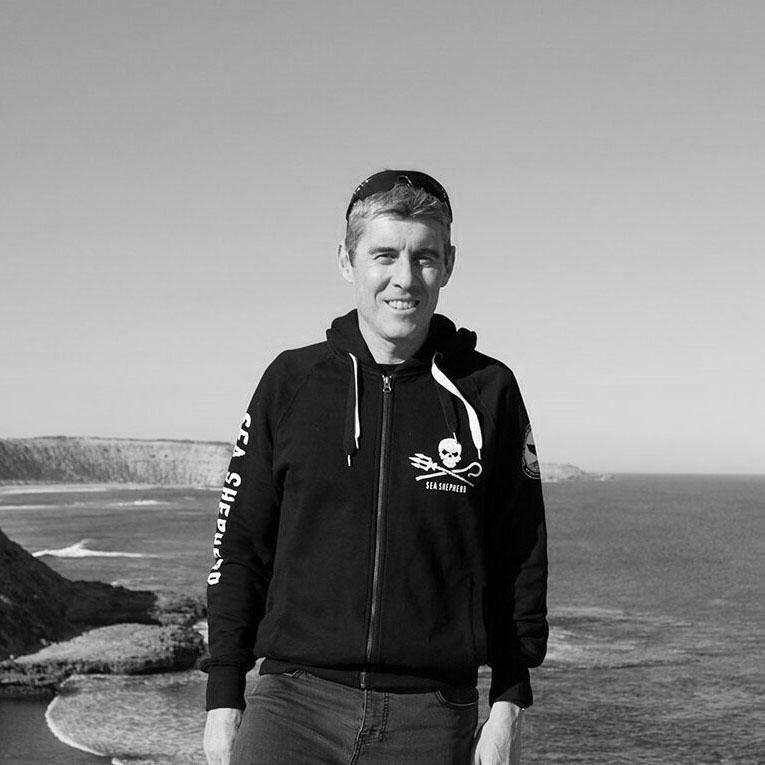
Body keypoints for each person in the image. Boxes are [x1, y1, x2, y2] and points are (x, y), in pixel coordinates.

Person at [202, 170, 548, 765]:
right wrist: (222, 698)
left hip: (434, 717)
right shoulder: (291, 382)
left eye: (425, 257)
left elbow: (519, 555)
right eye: (384, 255)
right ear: (347, 259)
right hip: (291, 710)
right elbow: (238, 547)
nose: (404, 279)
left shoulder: (489, 390)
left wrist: (509, 704)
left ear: (450, 262)